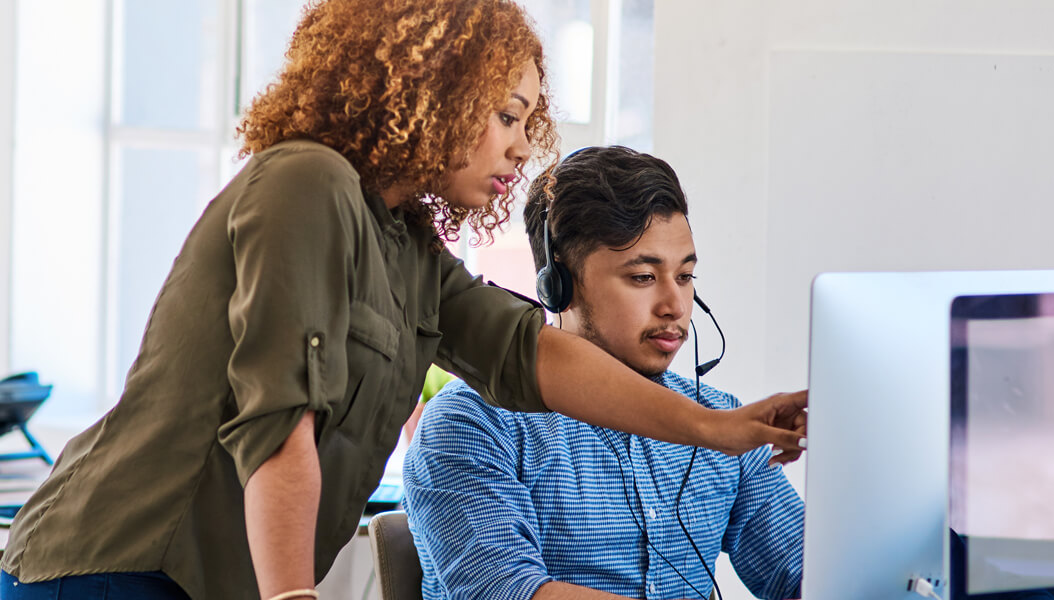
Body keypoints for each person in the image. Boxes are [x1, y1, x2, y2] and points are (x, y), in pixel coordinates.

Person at [0, 3, 806, 600]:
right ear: (433, 91)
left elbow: (528, 353)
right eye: (505, 116)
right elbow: (280, 423)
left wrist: (721, 428)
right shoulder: (307, 182)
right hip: (117, 567)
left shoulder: (408, 244)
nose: (523, 148)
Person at [403, 146, 806, 600]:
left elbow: (801, 573)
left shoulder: (721, 419)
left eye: (686, 276)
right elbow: (507, 592)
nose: (675, 306)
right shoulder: (475, 423)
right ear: (559, 286)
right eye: (643, 278)